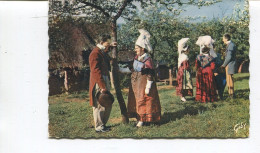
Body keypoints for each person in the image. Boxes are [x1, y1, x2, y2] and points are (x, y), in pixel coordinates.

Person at [119, 29, 161, 127]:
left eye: (136, 48)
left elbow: (150, 73)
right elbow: (133, 69)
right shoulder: (137, 58)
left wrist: (148, 86)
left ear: (142, 48)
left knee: (144, 100)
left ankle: (143, 120)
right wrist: (121, 69)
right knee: (138, 100)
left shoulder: (147, 59)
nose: (135, 49)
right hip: (136, 84)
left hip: (144, 84)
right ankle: (140, 118)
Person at [88, 34, 116, 132]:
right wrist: (102, 85)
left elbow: (105, 52)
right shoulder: (95, 53)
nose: (108, 45)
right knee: (100, 103)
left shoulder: (101, 51)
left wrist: (111, 46)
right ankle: (99, 126)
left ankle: (103, 124)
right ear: (101, 42)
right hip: (98, 81)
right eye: (107, 43)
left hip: (103, 78)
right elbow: (95, 71)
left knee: (106, 102)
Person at [176, 38, 193, 102]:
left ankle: (183, 96)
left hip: (181, 70)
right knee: (183, 83)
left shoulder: (182, 55)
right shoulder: (184, 57)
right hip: (184, 71)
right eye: (188, 49)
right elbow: (186, 65)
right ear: (185, 50)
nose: (189, 50)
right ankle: (182, 96)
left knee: (183, 83)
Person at [221, 33, 236, 98]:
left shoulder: (230, 45)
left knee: (229, 79)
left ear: (226, 39)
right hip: (229, 64)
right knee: (229, 79)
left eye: (223, 38)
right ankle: (230, 94)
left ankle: (231, 94)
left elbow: (229, 57)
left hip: (229, 65)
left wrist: (224, 65)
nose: (222, 40)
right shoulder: (230, 45)